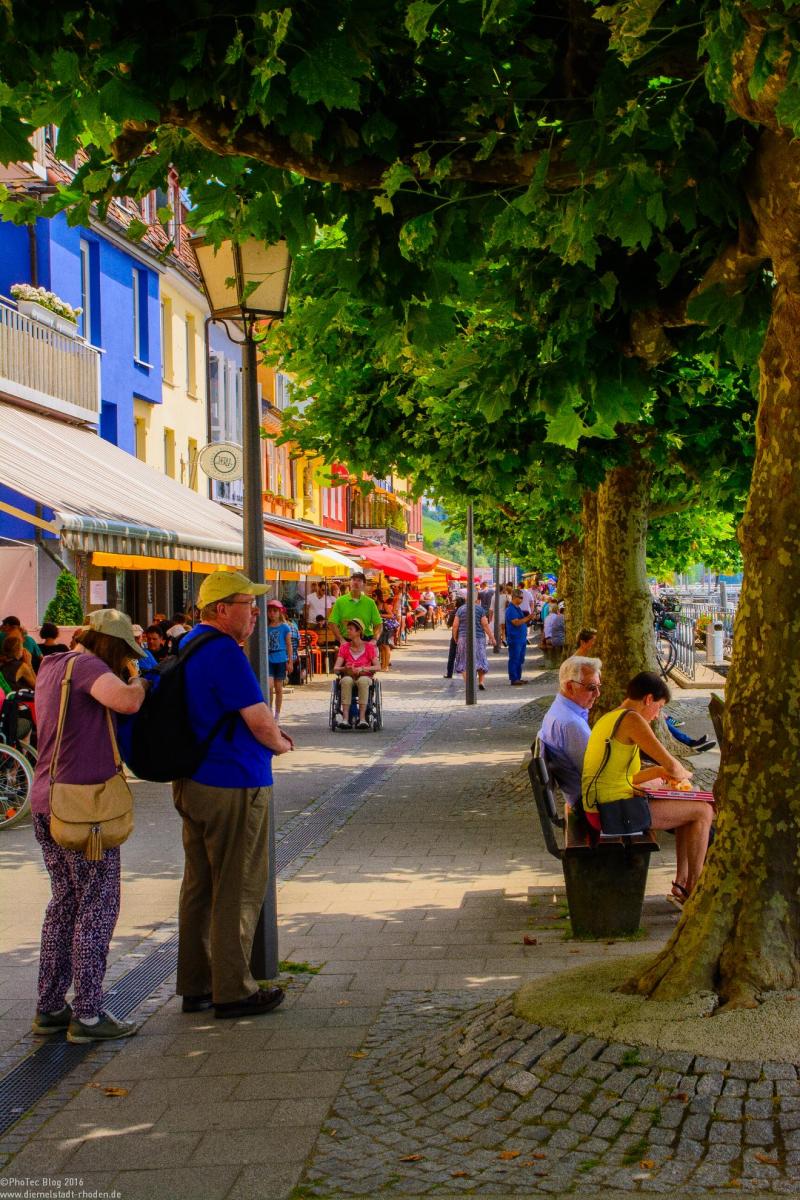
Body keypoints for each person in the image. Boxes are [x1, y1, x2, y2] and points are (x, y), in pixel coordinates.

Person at [172, 570, 293, 1019]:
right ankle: (233, 989)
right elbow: (260, 722)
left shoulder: (189, 645)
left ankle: (196, 983)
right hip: (233, 782)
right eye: (248, 603)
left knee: (199, 886)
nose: (256, 611)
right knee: (238, 885)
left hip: (193, 781)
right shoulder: (223, 651)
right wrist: (281, 742)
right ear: (222, 610)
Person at [29, 609, 148, 1043]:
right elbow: (127, 702)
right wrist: (139, 680)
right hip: (85, 811)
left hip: (47, 801)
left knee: (64, 904)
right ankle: (89, 1014)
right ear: (111, 645)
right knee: (97, 907)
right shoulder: (88, 667)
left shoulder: (52, 666)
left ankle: (49, 1007)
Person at [581, 671, 713, 904]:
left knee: (688, 807)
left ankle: (682, 883)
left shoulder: (611, 717)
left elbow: (629, 775)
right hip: (609, 812)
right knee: (703, 810)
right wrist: (680, 774)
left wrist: (660, 773)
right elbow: (672, 764)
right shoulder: (633, 720)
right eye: (659, 707)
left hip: (600, 805)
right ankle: (695, 887)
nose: (657, 715)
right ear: (649, 699)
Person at [539, 656, 603, 810]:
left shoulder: (559, 709)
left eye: (599, 686)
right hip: (590, 802)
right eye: (591, 688)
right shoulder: (570, 724)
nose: (598, 694)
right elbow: (596, 774)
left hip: (581, 796)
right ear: (569, 687)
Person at [334, 617, 379, 729]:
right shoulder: (344, 647)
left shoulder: (369, 647)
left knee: (363, 681)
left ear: (359, 631)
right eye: (347, 629)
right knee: (346, 680)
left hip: (365, 676)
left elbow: (378, 666)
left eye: (350, 629)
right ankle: (345, 719)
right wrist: (345, 668)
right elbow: (336, 668)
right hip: (349, 676)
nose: (347, 631)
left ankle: (362, 718)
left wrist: (363, 668)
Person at [451, 591, 496, 690]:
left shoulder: (460, 609)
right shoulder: (480, 609)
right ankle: (481, 682)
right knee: (480, 660)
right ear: (476, 599)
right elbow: (485, 625)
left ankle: (468, 685)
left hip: (463, 638)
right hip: (479, 638)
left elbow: (455, 625)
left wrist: (455, 637)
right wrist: (492, 637)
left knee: (464, 661)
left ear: (466, 598)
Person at [329, 572, 383, 643]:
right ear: (350, 583)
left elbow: (379, 624)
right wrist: (341, 639)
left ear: (364, 585)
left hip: (366, 640)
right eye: (353, 579)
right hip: (346, 641)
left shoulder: (370, 603)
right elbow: (332, 623)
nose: (355, 582)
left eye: (359, 580)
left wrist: (374, 640)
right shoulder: (340, 601)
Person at [266, 599, 293, 720]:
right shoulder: (265, 627)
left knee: (278, 688)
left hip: (281, 659)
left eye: (275, 611)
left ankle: (277, 713)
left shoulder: (285, 627)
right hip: (269, 659)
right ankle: (269, 711)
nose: (272, 613)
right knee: (269, 686)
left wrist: (290, 661)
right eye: (270, 611)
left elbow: (289, 645)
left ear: (280, 612)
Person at [505, 590, 532, 685]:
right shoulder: (511, 609)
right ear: (514, 597)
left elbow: (522, 621)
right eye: (520, 597)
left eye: (522, 597)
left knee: (520, 658)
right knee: (514, 658)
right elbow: (516, 622)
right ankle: (514, 678)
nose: (522, 599)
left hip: (521, 638)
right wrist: (528, 618)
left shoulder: (518, 608)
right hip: (515, 638)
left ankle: (518, 677)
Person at [376, 590, 398, 670]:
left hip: (386, 627)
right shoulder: (375, 604)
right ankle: (383, 665)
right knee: (381, 646)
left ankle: (386, 666)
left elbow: (391, 615)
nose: (372, 596)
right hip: (379, 627)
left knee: (386, 645)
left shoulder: (384, 604)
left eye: (374, 595)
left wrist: (380, 615)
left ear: (377, 596)